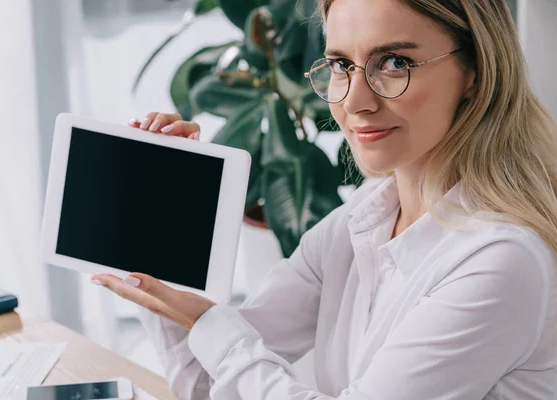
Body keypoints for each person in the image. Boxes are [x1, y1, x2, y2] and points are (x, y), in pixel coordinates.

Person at [91, 0, 557, 398]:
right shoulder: (365, 218)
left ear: (474, 71)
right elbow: (205, 382)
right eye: (340, 66)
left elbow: (226, 354)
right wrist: (160, 219)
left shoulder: (501, 259)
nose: (354, 102)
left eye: (394, 62)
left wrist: (215, 327)